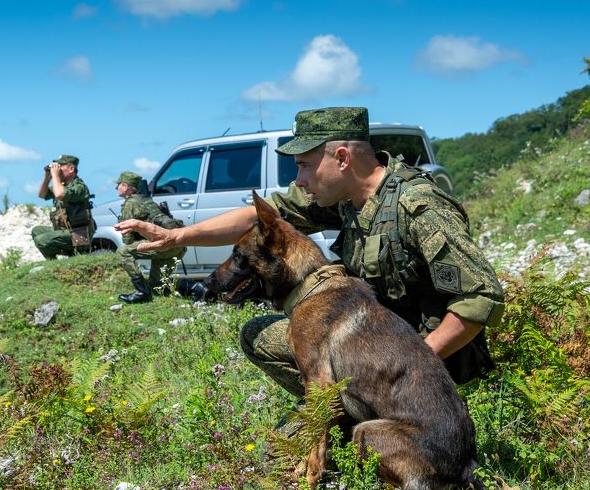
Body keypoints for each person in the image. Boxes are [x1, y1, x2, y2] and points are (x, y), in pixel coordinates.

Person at [115, 107, 504, 392]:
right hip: (375, 348)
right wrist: (178, 237)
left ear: (342, 158)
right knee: (259, 334)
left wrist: (417, 364)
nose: (298, 180)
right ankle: (338, 408)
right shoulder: (345, 199)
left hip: (429, 368)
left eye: (303, 166)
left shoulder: (417, 205)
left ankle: (344, 413)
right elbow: (259, 216)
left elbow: (480, 295)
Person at [113, 171, 187, 303]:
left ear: (125, 186)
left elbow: (127, 239)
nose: (116, 187)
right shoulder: (147, 200)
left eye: (118, 184)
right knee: (156, 286)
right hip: (177, 246)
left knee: (123, 251)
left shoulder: (130, 203)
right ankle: (193, 288)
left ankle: (141, 292)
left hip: (163, 245)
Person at [32, 154, 95, 260]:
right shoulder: (61, 185)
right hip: (66, 231)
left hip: (79, 235)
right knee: (37, 231)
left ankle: (70, 257)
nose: (57, 169)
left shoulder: (79, 187)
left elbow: (60, 194)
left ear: (71, 169)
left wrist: (55, 176)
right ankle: (53, 262)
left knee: (41, 240)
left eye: (60, 166)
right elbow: (42, 195)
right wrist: (47, 177)